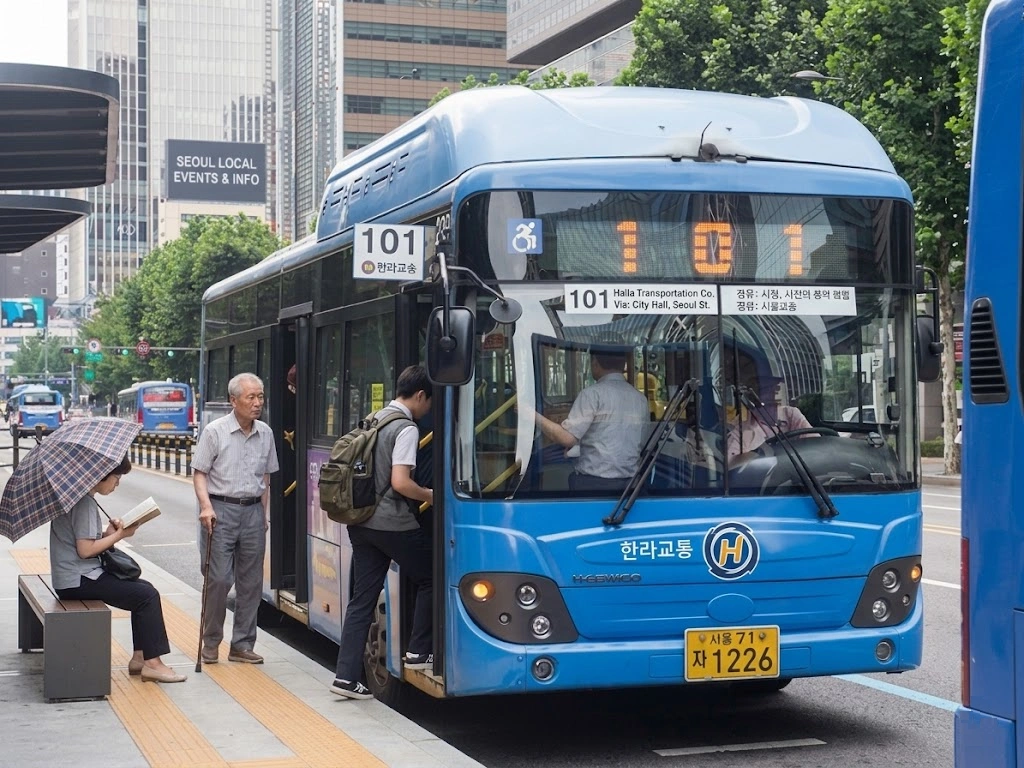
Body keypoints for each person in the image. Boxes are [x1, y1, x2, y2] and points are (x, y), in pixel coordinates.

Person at [331, 365, 434, 700]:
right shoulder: (405, 428)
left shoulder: (374, 418)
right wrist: (431, 495)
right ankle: (419, 652)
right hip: (392, 523)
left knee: (362, 599)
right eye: (429, 401)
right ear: (419, 395)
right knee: (431, 576)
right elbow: (400, 482)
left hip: (361, 524)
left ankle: (345, 677)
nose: (428, 408)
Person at [49, 456, 185, 683]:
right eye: (116, 477)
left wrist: (110, 533)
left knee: (144, 590)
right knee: (146, 596)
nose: (117, 483)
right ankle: (153, 664)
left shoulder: (82, 499)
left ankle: (140, 658)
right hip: (78, 580)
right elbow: (85, 550)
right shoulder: (83, 503)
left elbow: (87, 542)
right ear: (101, 475)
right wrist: (120, 535)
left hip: (75, 576)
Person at [192, 372, 280, 665]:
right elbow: (200, 472)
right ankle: (211, 641)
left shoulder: (265, 433)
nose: (257, 403)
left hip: (253, 511)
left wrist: (264, 514)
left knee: (252, 582)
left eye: (261, 397)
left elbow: (266, 477)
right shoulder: (215, 431)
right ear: (234, 401)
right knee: (218, 580)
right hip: (220, 510)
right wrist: (205, 506)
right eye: (251, 397)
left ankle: (242, 644)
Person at [533, 352, 650, 491]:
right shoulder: (640, 399)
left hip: (593, 485)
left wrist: (531, 415)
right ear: (623, 364)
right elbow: (641, 443)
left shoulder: (592, 394)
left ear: (594, 363)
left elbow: (566, 438)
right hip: (631, 487)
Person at [726, 371, 811, 462]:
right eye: (762, 388)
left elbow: (815, 445)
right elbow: (731, 466)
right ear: (750, 395)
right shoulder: (741, 429)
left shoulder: (791, 414)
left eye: (772, 387)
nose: (769, 393)